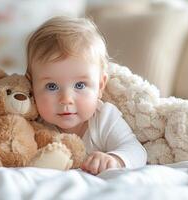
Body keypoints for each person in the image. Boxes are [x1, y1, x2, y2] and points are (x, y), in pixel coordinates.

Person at [26, 16, 147, 175]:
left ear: (100, 86)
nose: (66, 99)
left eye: (80, 85)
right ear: (31, 85)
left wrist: (115, 159)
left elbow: (136, 150)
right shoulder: (32, 121)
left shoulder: (103, 118)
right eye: (52, 86)